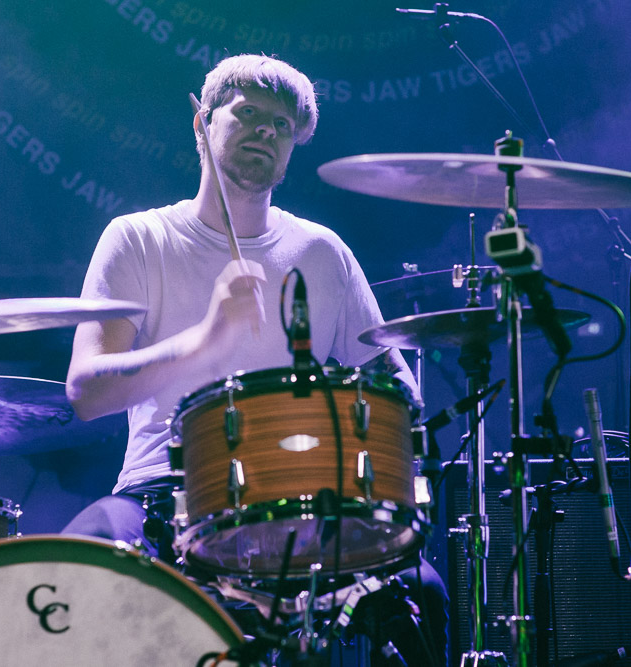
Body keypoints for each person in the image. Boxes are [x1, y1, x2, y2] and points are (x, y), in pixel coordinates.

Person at [64, 54, 447, 666]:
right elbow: (86, 390)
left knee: (421, 590)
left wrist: (364, 408)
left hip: (307, 497)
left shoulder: (323, 252)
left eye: (282, 125)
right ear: (202, 122)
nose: (267, 130)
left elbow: (395, 386)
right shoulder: (138, 238)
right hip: (163, 491)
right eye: (248, 113)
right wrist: (205, 340)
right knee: (81, 560)